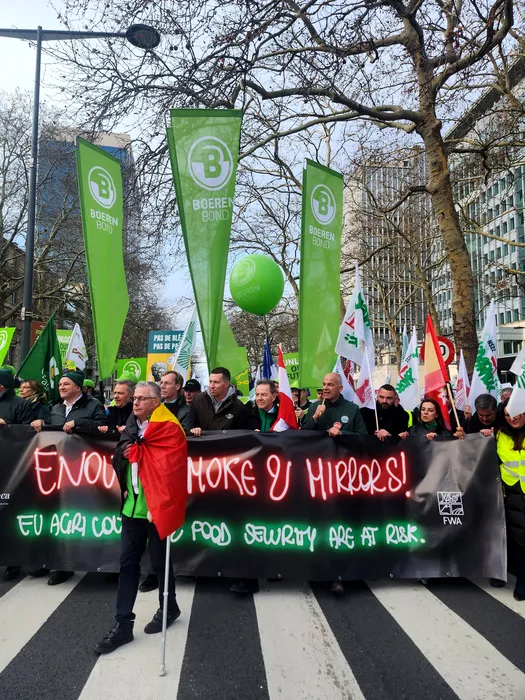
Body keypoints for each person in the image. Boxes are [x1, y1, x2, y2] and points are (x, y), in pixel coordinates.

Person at [94, 381, 181, 654]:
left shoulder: (169, 428)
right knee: (127, 564)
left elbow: (172, 472)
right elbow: (119, 454)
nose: (136, 402)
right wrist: (126, 463)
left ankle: (169, 607)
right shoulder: (132, 425)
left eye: (142, 398)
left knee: (160, 563)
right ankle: (123, 624)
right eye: (135, 398)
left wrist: (161, 506)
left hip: (156, 510)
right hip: (131, 507)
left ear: (157, 401)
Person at [32, 371, 106, 586]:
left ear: (78, 387)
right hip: (55, 470)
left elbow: (103, 427)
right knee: (53, 517)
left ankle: (66, 566)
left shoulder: (93, 405)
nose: (62, 387)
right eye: (60, 384)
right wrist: (40, 422)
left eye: (66, 384)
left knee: (72, 518)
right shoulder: (55, 408)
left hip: (81, 471)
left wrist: (79, 422)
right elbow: (48, 428)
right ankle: (48, 561)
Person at [232, 379, 280, 595]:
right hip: (249, 478)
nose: (259, 398)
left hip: (277, 479)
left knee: (273, 525)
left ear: (274, 396)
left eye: (263, 395)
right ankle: (248, 579)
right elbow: (233, 440)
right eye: (257, 394)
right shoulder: (246, 414)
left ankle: (275, 568)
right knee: (249, 527)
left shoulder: (284, 416)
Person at [1, 369, 32, 582]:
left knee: (11, 514)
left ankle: (14, 560)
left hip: (11, 466)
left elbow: (26, 434)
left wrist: (7, 427)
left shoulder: (20, 405)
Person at [492, 403, 525, 600]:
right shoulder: (498, 435)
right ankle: (522, 580)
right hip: (513, 494)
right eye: (507, 415)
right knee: (520, 539)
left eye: (516, 413)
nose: (512, 418)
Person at [302, 372, 367, 436]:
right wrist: (315, 417)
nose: (325, 388)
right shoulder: (314, 407)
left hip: (344, 443)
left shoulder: (353, 408)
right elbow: (303, 434)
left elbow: (362, 435)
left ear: (340, 388)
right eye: (324, 384)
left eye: (330, 385)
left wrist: (342, 433)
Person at [190, 367, 247, 434]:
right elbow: (190, 424)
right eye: (210, 382)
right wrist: (194, 429)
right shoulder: (198, 399)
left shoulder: (238, 406)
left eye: (216, 382)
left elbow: (242, 434)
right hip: (201, 440)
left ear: (227, 384)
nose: (212, 386)